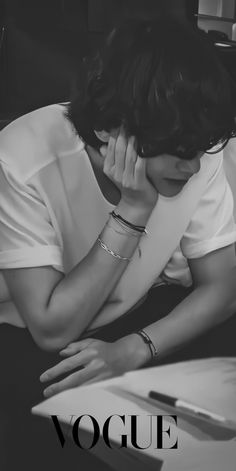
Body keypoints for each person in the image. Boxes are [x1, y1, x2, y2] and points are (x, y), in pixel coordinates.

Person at [1, 17, 236, 468]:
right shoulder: (21, 159)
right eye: (181, 153)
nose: (193, 169)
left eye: (202, 150)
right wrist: (133, 211)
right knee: (71, 415)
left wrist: (132, 348)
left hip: (131, 318)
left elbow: (222, 287)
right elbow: (51, 327)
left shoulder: (195, 151)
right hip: (30, 336)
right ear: (111, 128)